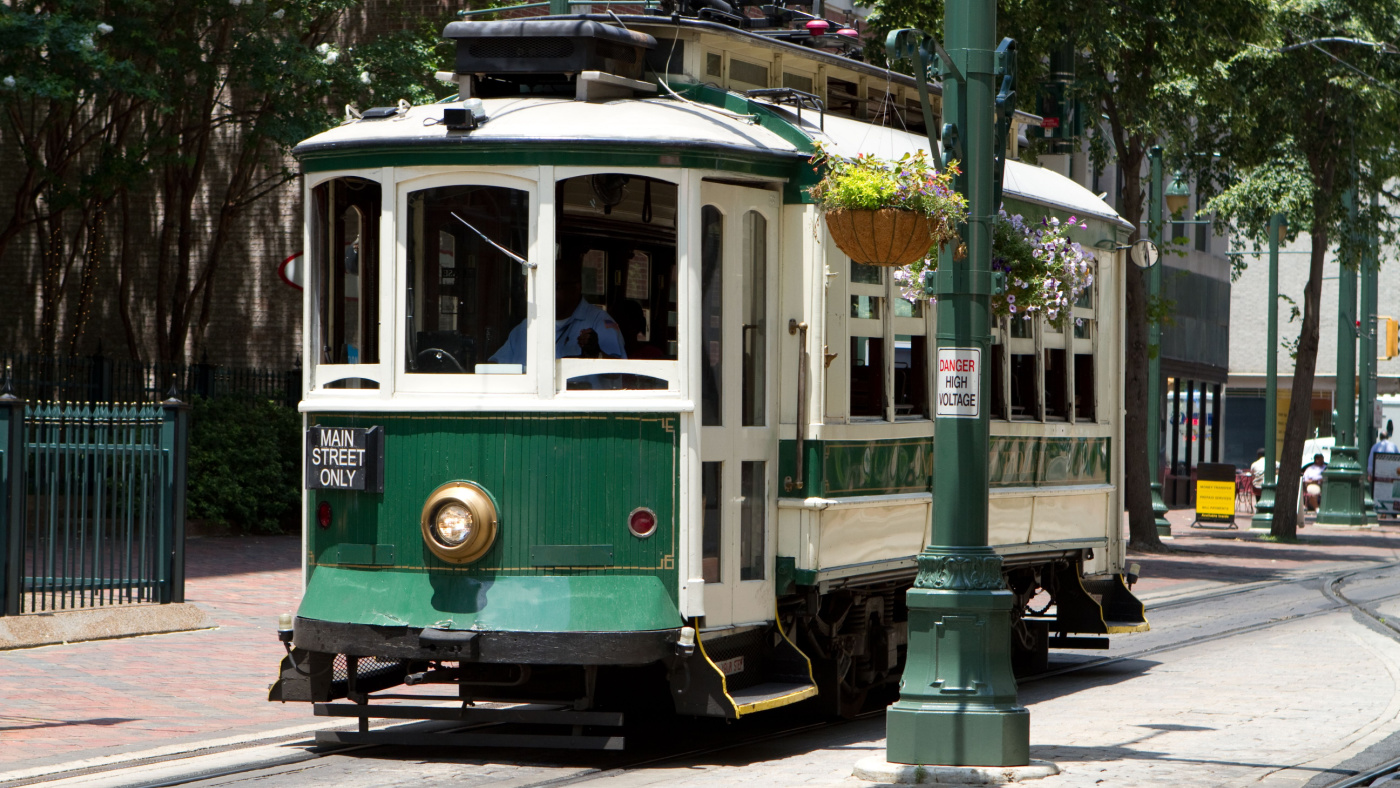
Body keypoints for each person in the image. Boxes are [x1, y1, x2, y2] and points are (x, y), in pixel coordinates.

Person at [489, 253, 627, 366]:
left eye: (555, 286)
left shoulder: (599, 322)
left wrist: (597, 355)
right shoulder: (526, 328)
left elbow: (619, 374)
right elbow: (496, 366)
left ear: (576, 288)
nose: (546, 293)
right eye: (542, 287)